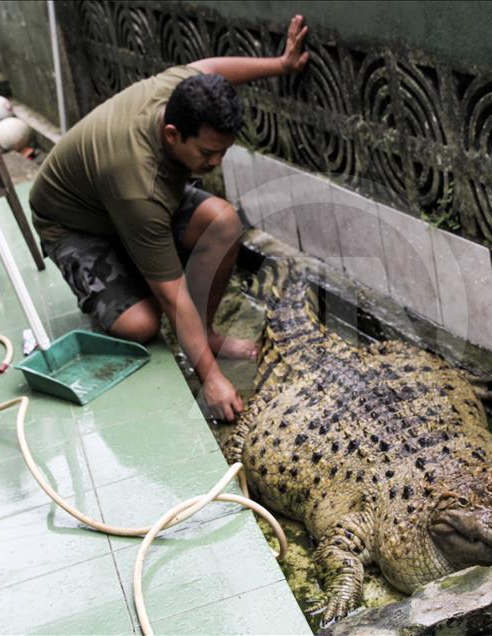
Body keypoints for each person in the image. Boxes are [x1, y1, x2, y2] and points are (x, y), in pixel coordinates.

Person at [29, 16, 310, 422]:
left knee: (225, 222)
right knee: (144, 323)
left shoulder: (180, 90)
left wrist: (281, 65)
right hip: (73, 223)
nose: (214, 164)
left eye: (222, 152)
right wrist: (210, 379)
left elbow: (214, 67)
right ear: (173, 134)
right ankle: (130, 279)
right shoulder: (139, 186)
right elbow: (172, 295)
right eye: (207, 154)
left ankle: (205, 333)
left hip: (123, 205)